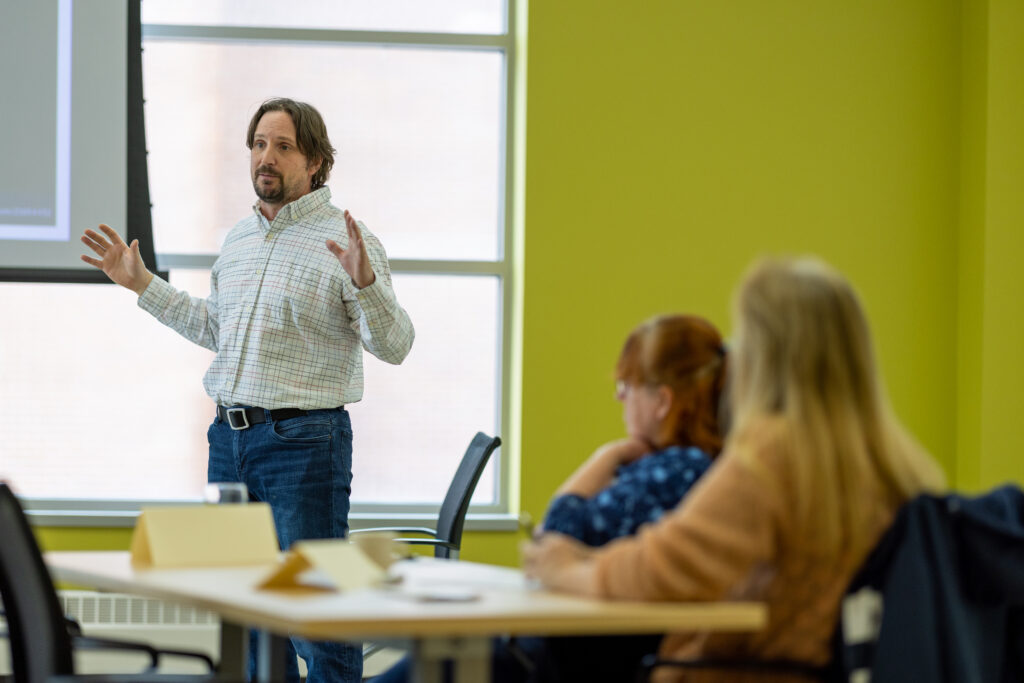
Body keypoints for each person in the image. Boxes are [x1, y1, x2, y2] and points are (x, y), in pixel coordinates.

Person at [80, 97, 415, 683]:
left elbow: (395, 344)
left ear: (316, 163)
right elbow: (216, 328)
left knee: (319, 616)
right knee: (252, 615)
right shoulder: (238, 239)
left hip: (304, 445)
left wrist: (365, 282)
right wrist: (141, 284)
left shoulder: (348, 241)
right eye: (259, 144)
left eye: (283, 147)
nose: (267, 157)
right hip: (229, 442)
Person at [522, 256, 947, 683]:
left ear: (766, 352)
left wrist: (567, 569)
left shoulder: (774, 453)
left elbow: (665, 567)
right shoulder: (898, 462)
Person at [373, 313, 728, 683]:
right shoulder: (690, 468)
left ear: (662, 402)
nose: (618, 396)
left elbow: (554, 533)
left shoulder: (675, 470)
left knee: (428, 666)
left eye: (627, 385)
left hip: (572, 661)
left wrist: (606, 456)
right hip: (576, 651)